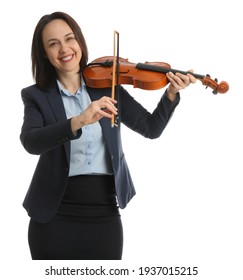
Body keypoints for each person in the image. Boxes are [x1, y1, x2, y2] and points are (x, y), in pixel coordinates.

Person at [20, 11, 196, 260]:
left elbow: (150, 128)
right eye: (53, 44)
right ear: (45, 54)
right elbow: (31, 141)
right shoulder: (36, 95)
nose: (64, 49)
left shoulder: (108, 85)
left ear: (79, 42)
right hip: (52, 217)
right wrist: (79, 120)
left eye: (69, 39)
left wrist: (170, 95)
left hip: (104, 213)